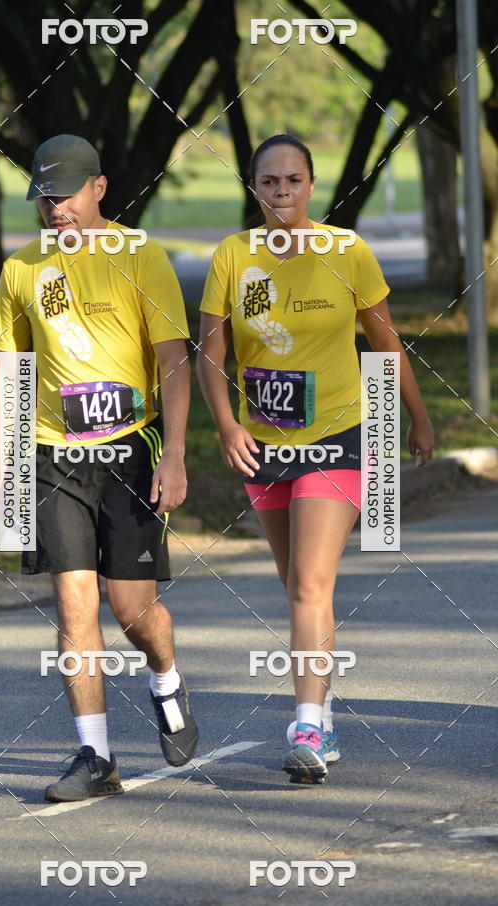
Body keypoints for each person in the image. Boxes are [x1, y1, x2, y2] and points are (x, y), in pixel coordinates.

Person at [197, 134, 433, 784]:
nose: (281, 192)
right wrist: (225, 426)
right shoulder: (233, 256)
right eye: (269, 181)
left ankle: (305, 723)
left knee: (308, 582)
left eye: (293, 180)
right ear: (253, 188)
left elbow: (386, 343)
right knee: (297, 584)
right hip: (263, 442)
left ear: (311, 184)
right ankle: (322, 705)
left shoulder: (347, 251)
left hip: (340, 435)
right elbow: (211, 353)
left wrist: (416, 417)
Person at [0, 134, 198, 802]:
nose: (56, 210)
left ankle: (166, 680)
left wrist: (177, 454)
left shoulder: (142, 257)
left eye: (67, 195)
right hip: (53, 454)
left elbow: (174, 360)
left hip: (131, 450)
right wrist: (4, 461)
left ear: (98, 188)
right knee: (74, 601)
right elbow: (8, 368)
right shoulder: (22, 269)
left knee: (132, 609)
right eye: (45, 198)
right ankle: (96, 756)